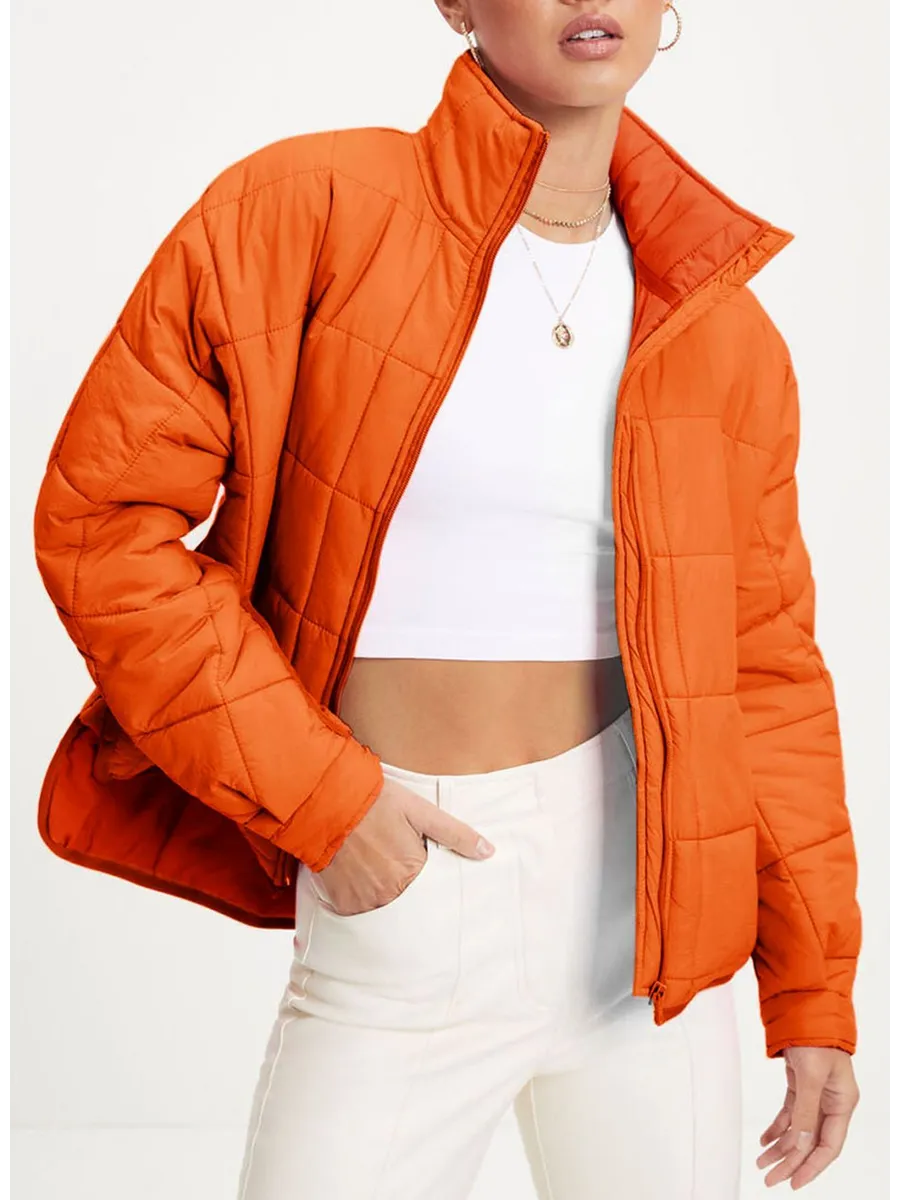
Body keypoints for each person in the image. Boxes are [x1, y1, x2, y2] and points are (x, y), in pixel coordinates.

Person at [32, 2, 863, 1197]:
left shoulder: (719, 321)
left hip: (651, 937)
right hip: (408, 888)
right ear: (457, 2)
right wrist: (328, 803)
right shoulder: (305, 209)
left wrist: (813, 988)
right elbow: (105, 531)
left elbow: (766, 667)